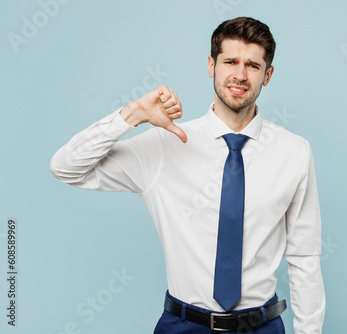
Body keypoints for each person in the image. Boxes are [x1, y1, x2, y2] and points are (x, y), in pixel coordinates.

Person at [50, 17, 325, 333]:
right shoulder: (164, 145)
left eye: (252, 65)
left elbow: (304, 257)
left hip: (261, 326)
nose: (239, 74)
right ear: (211, 66)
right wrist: (132, 115)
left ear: (268, 74)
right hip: (182, 326)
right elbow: (66, 167)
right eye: (230, 61)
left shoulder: (294, 152)